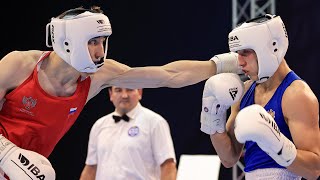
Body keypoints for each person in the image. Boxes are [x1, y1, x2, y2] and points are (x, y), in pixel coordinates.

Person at [0, 5, 242, 180]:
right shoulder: (19, 65)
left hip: (25, 170)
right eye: (93, 41)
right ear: (68, 40)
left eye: (103, 41)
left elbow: (167, 75)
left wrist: (218, 65)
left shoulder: (99, 76)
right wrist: (7, 153)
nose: (100, 51)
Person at [200, 14, 320, 179]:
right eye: (237, 53)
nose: (240, 62)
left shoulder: (296, 95)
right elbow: (228, 158)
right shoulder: (244, 91)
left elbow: (314, 170)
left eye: (245, 52)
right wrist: (212, 116)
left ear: (272, 47)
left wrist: (275, 143)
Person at [80, 86, 177, 180]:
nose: (124, 95)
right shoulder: (99, 125)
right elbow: (91, 168)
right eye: (118, 90)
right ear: (111, 94)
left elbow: (168, 165)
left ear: (139, 92)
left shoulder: (155, 122)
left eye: (129, 89)